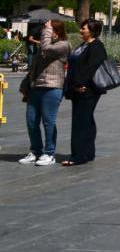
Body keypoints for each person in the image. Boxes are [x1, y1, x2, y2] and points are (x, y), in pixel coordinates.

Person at [19, 20, 69, 166]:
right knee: (31, 121)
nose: (44, 32)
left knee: (48, 121)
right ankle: (35, 151)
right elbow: (34, 67)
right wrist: (26, 85)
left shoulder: (64, 45)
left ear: (57, 32)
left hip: (53, 87)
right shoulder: (44, 45)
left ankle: (49, 153)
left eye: (48, 30)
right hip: (36, 87)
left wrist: (46, 31)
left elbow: (47, 48)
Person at [61, 20, 109, 167]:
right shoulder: (84, 45)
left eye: (84, 28)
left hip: (87, 90)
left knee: (80, 122)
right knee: (86, 120)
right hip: (78, 89)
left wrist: (78, 84)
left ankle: (78, 156)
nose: (81, 31)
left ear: (92, 30)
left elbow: (90, 69)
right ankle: (87, 153)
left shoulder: (96, 46)